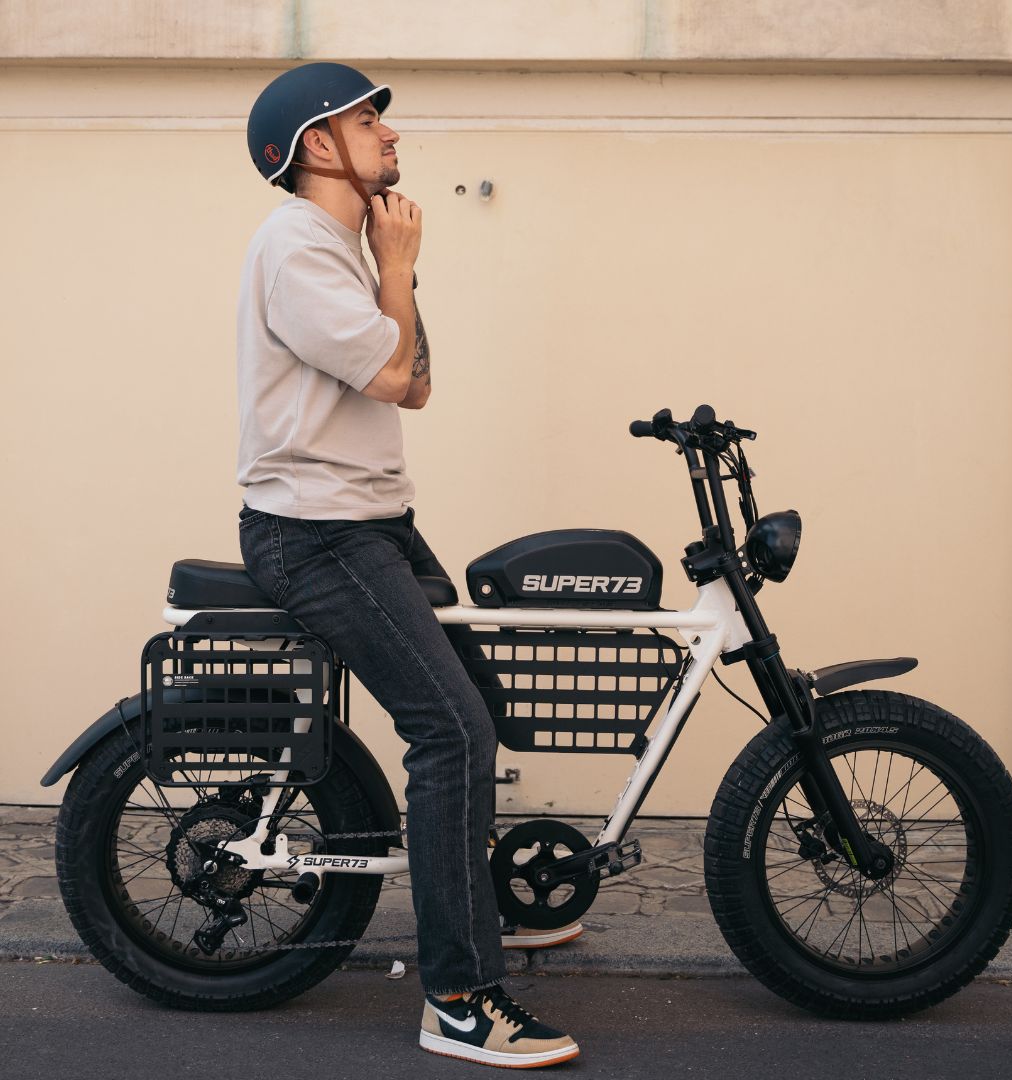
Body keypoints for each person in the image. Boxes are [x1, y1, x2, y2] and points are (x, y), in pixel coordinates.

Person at [237, 63, 580, 1068]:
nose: (390, 135)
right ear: (316, 147)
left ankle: (471, 908)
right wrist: (402, 260)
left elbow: (411, 388)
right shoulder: (296, 244)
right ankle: (461, 998)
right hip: (317, 531)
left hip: (374, 523)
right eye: (363, 120)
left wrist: (395, 264)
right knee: (453, 735)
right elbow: (396, 372)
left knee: (475, 706)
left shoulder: (346, 245)